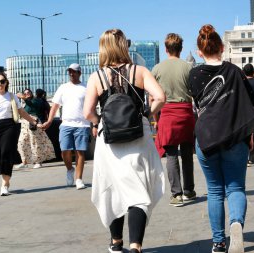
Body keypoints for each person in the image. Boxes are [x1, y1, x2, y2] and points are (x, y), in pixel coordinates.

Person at [83, 28, 166, 253]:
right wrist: (147, 115)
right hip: (137, 136)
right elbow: (160, 97)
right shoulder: (139, 71)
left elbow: (87, 112)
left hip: (108, 140)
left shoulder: (96, 76)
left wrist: (100, 121)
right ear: (123, 45)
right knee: (139, 191)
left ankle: (116, 242)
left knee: (112, 189)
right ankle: (136, 245)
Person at [189, 24, 254, 253]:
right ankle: (237, 223)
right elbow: (248, 102)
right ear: (222, 47)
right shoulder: (234, 70)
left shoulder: (194, 74)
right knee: (236, 187)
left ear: (200, 51)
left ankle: (218, 243)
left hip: (207, 138)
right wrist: (249, 134)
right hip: (234, 136)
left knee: (215, 190)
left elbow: (196, 106)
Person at [152, 33, 196, 207]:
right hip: (185, 113)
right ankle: (189, 190)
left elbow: (152, 98)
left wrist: (156, 118)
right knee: (186, 154)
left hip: (167, 114)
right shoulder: (188, 68)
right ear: (181, 49)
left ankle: (176, 194)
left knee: (171, 155)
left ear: (166, 48)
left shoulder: (157, 69)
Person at [0, 71, 41, 196]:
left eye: (2, 81)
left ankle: (4, 184)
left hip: (10, 127)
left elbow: (22, 112)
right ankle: (6, 181)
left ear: (6, 83)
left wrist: (33, 122)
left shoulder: (11, 96)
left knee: (6, 154)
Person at [42, 63, 90, 190]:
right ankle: (70, 169)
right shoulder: (63, 88)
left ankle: (79, 179)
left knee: (80, 151)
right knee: (65, 151)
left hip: (82, 124)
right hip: (66, 124)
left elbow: (91, 106)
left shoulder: (86, 87)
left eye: (73, 72)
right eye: (69, 72)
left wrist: (95, 123)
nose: (71, 74)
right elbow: (55, 106)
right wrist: (49, 121)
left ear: (79, 73)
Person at [15, 88, 55, 169]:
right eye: (25, 93)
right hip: (24, 124)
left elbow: (31, 104)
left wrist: (23, 97)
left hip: (33, 123)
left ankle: (38, 161)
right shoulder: (24, 104)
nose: (27, 94)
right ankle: (24, 161)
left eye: (28, 92)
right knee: (21, 142)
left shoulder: (35, 100)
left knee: (35, 142)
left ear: (31, 93)